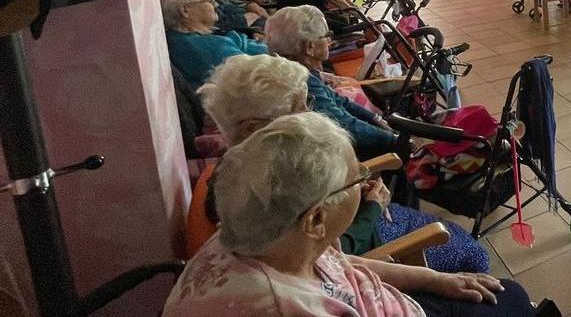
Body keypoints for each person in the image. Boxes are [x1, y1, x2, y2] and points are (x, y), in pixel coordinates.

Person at [165, 112, 535, 317]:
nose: (366, 180)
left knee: (506, 296)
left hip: (388, 300)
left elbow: (343, 266)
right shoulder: (285, 306)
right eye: (355, 178)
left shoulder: (267, 237)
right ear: (316, 219)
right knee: (512, 300)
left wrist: (434, 280)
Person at [185, 54, 490, 273]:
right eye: (299, 106)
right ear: (253, 127)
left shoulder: (263, 163)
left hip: (362, 217)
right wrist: (371, 205)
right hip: (371, 242)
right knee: (473, 255)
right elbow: (331, 256)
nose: (311, 112)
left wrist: (357, 183)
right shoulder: (263, 190)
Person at [266, 6, 398, 159]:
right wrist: (394, 140)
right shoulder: (303, 83)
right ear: (310, 47)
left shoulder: (297, 70)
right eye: (327, 35)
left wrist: (377, 119)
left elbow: (339, 100)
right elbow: (347, 125)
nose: (330, 40)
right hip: (336, 155)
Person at [159, 0, 268, 89]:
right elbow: (267, 76)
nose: (215, 4)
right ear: (185, 10)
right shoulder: (209, 47)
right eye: (208, 0)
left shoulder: (174, 39)